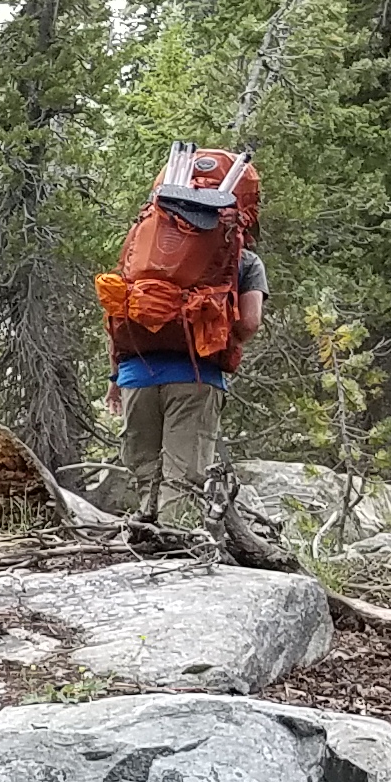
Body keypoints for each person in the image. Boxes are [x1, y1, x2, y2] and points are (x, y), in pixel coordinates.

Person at [107, 192, 266, 532]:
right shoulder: (243, 259)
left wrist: (115, 376)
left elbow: (122, 308)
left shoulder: (148, 244)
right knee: (185, 475)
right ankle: (176, 548)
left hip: (137, 373)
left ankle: (146, 530)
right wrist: (219, 337)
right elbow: (250, 322)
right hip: (197, 375)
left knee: (145, 467)